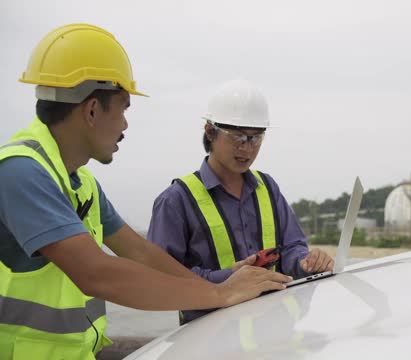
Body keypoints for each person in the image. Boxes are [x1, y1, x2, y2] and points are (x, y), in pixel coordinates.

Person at [0, 24, 290, 360]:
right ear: (93, 110)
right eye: (123, 108)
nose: (125, 124)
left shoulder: (80, 183)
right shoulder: (20, 171)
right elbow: (97, 273)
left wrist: (218, 290)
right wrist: (219, 296)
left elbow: (142, 254)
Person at [147, 79, 334, 324]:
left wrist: (305, 262)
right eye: (238, 137)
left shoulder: (267, 188)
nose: (247, 149)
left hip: (275, 337)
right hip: (209, 342)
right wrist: (228, 278)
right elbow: (159, 280)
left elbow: (291, 247)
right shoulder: (175, 202)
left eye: (256, 138)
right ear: (210, 131)